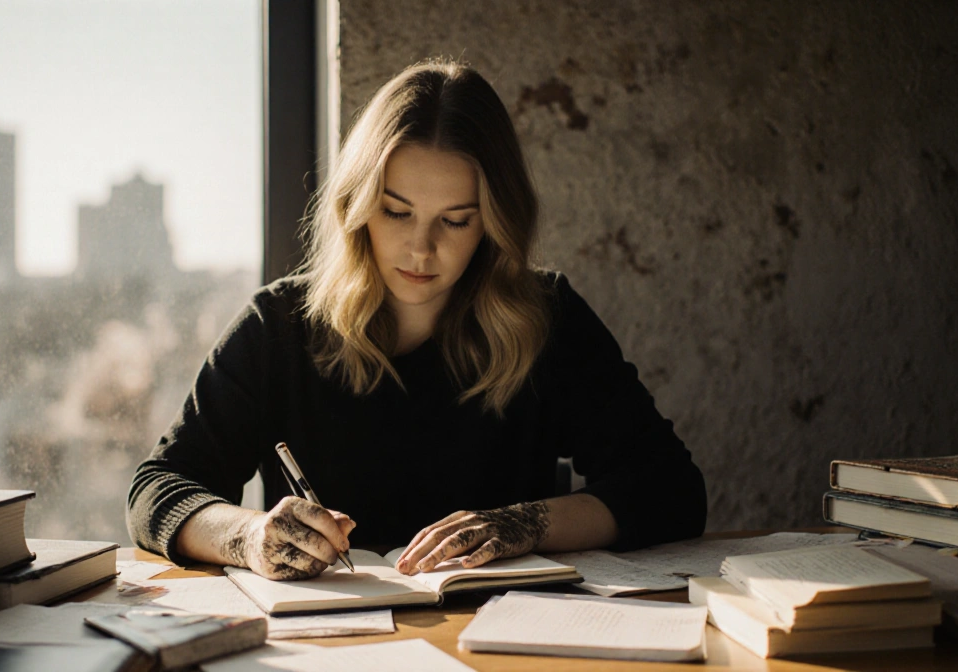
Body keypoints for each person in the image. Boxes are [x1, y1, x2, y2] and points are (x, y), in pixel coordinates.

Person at [127, 59, 706, 581]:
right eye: (396, 212)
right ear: (357, 205)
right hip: (327, 639)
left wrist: (525, 524)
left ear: (494, 223)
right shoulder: (278, 325)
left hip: (502, 634)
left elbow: (670, 488)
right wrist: (249, 536)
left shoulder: (547, 317)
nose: (421, 250)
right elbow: (157, 489)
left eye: (455, 221)